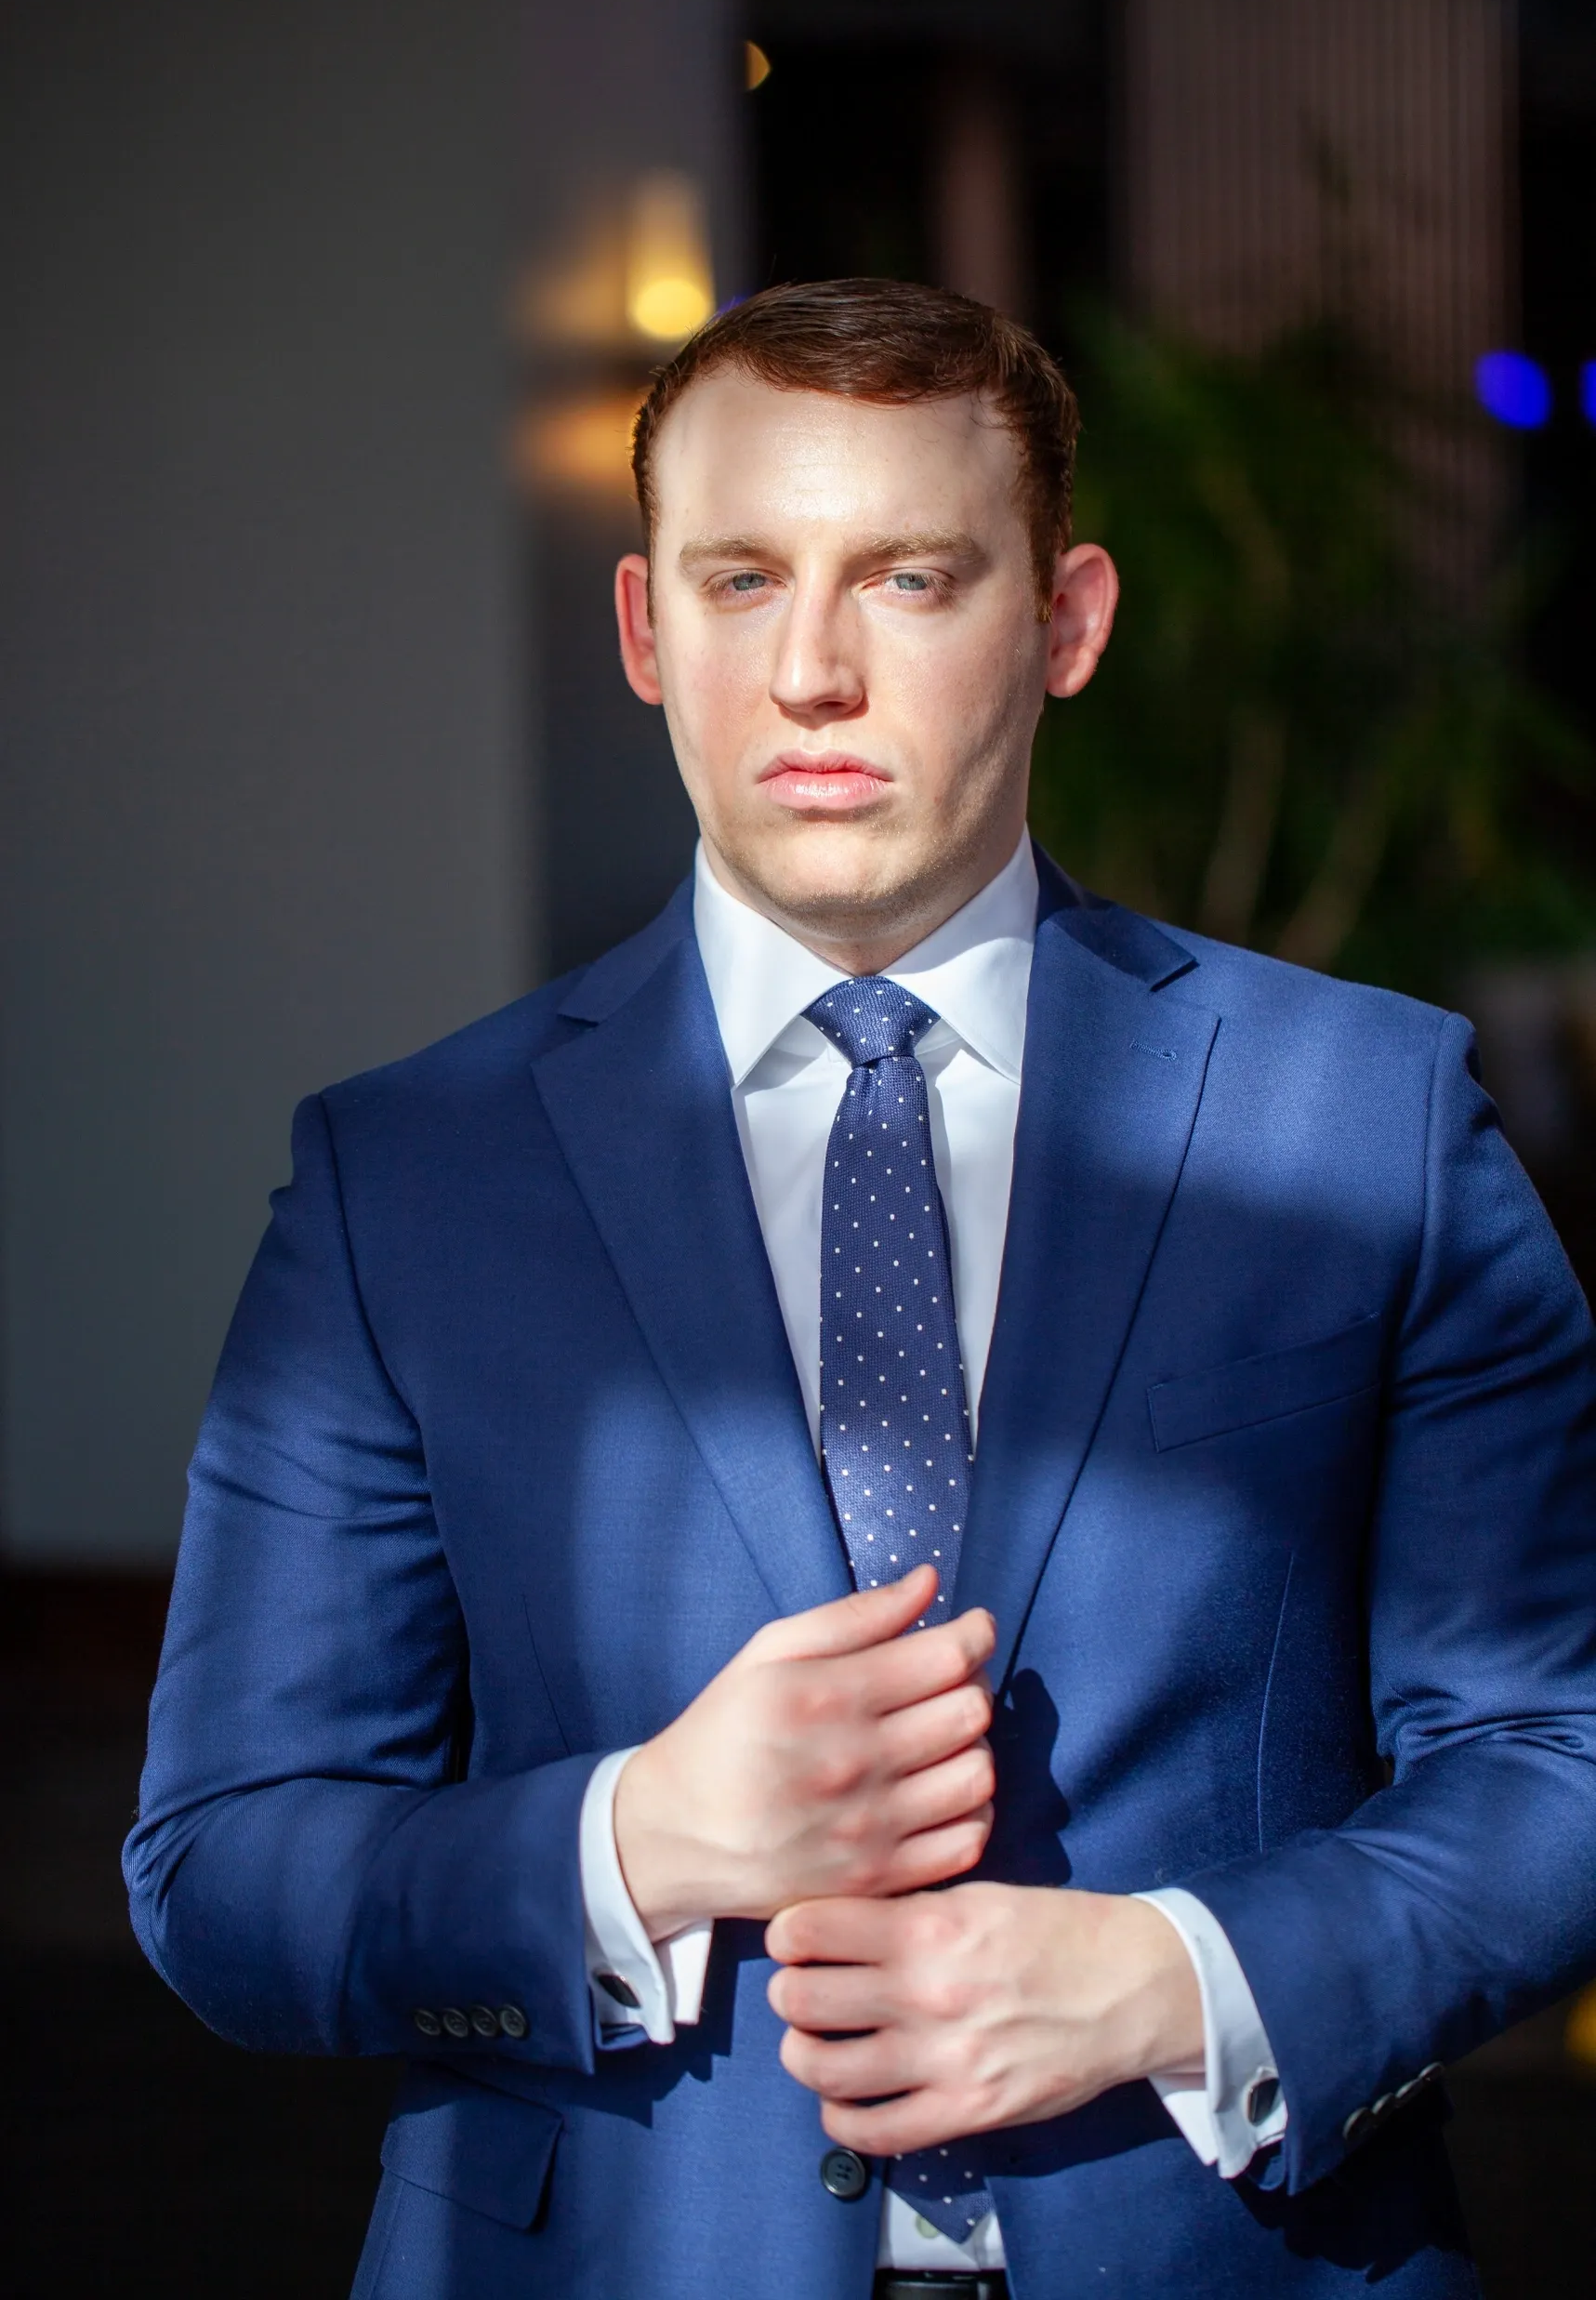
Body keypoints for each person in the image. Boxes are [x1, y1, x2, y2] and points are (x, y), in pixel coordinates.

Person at [126, 279, 1596, 2300]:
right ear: (647, 630)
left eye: (909, 577)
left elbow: (1558, 1747)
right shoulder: (406, 1181)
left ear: (1065, 621)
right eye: (741, 580)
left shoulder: (1366, 1120)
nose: (811, 672)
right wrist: (641, 1837)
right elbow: (223, 1865)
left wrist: (1179, 1979)